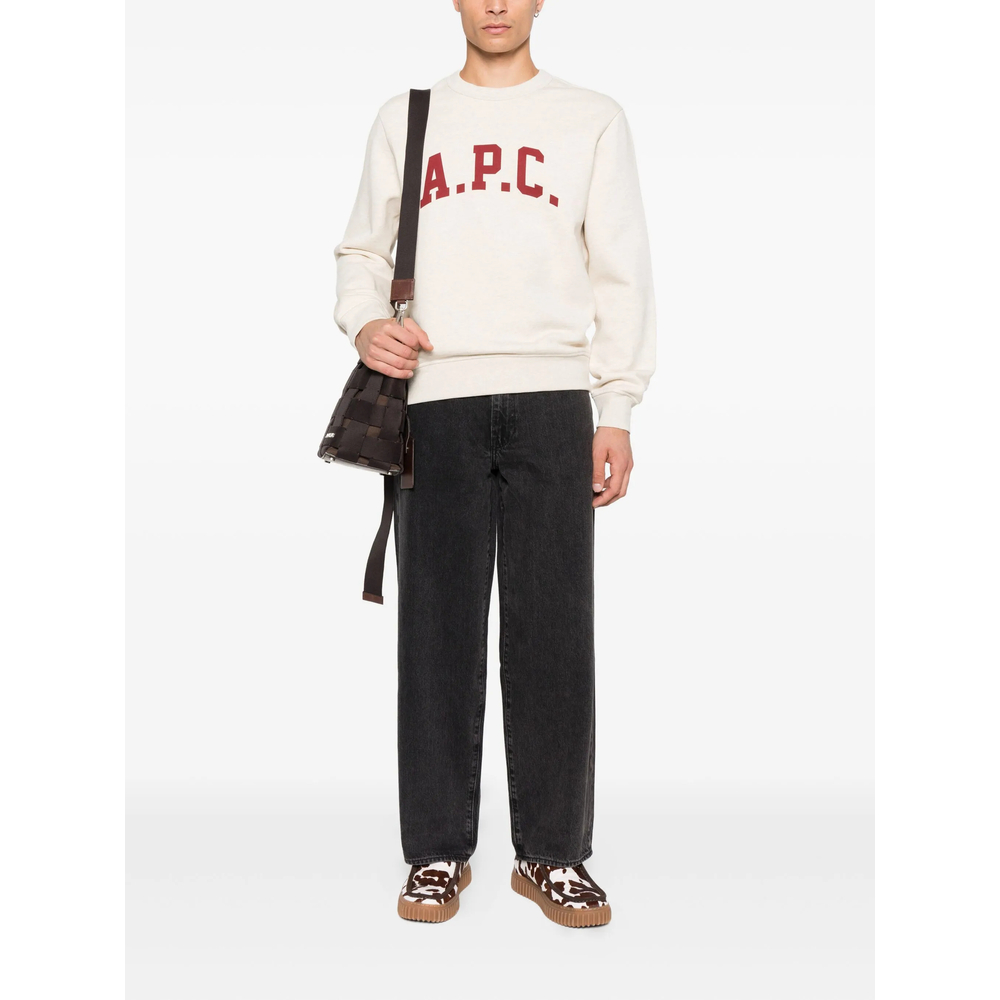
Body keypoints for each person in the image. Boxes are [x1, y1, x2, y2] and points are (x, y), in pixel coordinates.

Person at [333, 0, 656, 928]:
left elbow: (622, 270)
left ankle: (553, 854)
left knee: (555, 634)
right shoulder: (408, 117)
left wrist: (616, 405)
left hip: (555, 402)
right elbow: (361, 250)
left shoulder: (592, 118)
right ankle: (436, 850)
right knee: (435, 634)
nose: (498, 4)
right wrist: (365, 321)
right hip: (434, 401)